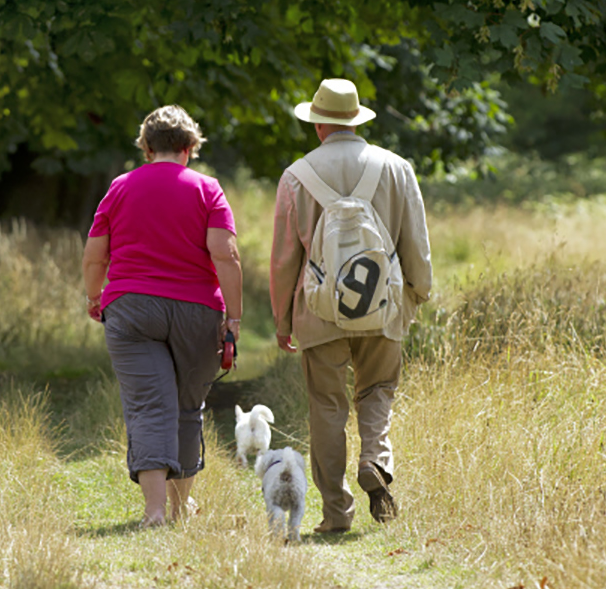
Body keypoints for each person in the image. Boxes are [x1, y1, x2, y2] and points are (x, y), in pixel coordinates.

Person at [269, 78, 433, 533]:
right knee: (377, 390)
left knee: (326, 405)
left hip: (318, 311)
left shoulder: (296, 176)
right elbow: (415, 241)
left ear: (318, 124)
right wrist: (416, 293)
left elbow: (285, 259)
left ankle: (336, 512)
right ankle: (375, 460)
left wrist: (283, 317)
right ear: (357, 120)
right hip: (384, 304)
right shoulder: (398, 168)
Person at [83, 105, 243, 527]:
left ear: (146, 149)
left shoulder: (120, 187)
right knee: (188, 406)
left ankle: (154, 511)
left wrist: (93, 296)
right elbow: (225, 255)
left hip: (131, 308)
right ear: (189, 148)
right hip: (197, 310)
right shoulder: (208, 189)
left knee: (149, 406)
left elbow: (95, 254)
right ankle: (178, 509)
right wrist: (235, 319)